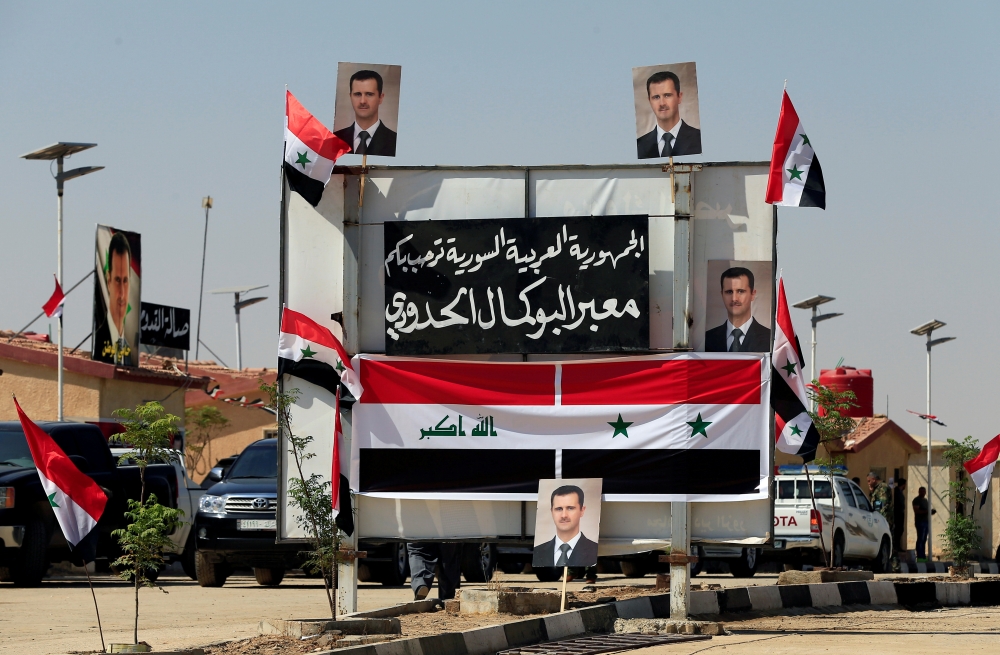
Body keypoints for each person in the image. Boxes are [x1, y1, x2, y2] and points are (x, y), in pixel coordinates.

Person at [636, 71, 702, 159]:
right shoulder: (639, 145)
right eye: (656, 97)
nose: (662, 103)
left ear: (679, 97)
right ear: (649, 101)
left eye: (667, 95)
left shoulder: (699, 139)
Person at [704, 267, 772, 352]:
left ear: (753, 294)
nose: (734, 299)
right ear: (722, 295)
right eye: (729, 292)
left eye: (741, 291)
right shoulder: (706, 339)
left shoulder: (771, 339)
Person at [93, 231, 134, 366]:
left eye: (125, 280)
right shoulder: (97, 342)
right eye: (117, 280)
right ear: (108, 280)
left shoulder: (128, 352)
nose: (122, 293)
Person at [532, 484, 599, 568]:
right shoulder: (539, 551)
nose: (564, 515)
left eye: (570, 508)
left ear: (582, 510)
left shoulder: (594, 550)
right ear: (552, 511)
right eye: (559, 509)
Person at [334, 69, 397, 157]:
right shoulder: (336, 139)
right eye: (358, 94)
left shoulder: (394, 141)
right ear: (350, 96)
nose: (363, 101)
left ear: (381, 98)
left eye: (369, 94)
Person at [868, 471, 894, 537]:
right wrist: (872, 492)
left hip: (884, 518)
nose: (868, 483)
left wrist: (870, 507)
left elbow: (882, 503)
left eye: (869, 481)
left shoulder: (882, 487)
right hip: (880, 518)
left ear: (874, 479)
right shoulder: (877, 488)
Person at [912, 486, 931, 562]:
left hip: (926, 521)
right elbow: (917, 511)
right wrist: (927, 512)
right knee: (920, 538)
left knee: (924, 539)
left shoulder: (925, 500)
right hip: (920, 522)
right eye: (921, 491)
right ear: (919, 492)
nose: (923, 493)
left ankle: (923, 555)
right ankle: (919, 556)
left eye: (924, 491)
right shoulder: (916, 500)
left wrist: (930, 512)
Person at [893, 478, 907, 555]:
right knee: (897, 530)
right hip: (897, 513)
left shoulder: (900, 492)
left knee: (900, 530)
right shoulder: (896, 491)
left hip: (901, 513)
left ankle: (898, 546)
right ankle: (896, 547)